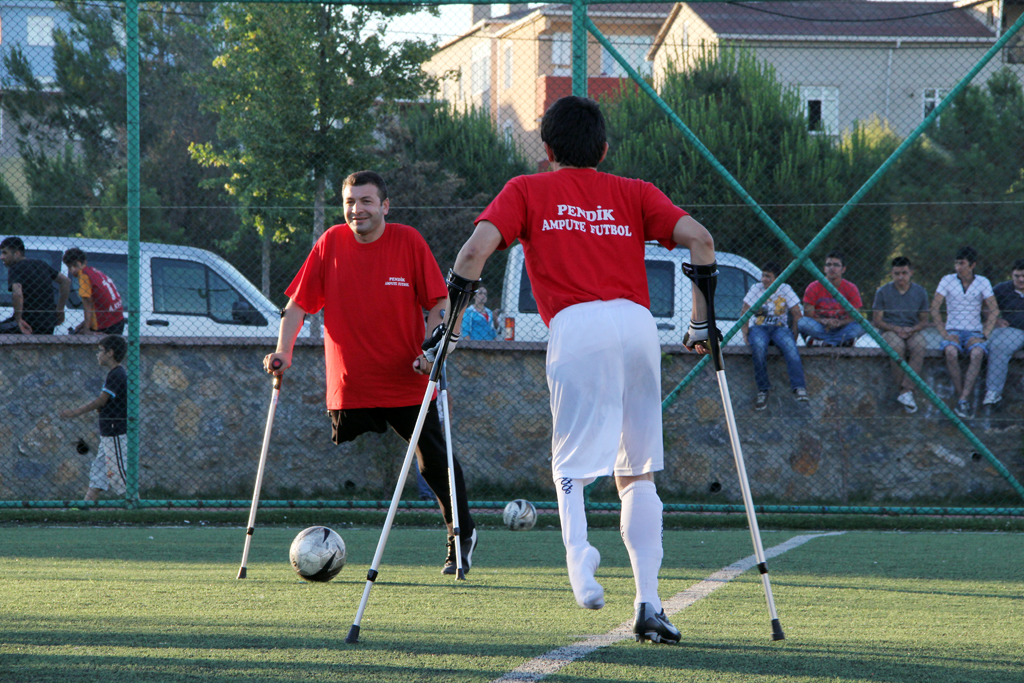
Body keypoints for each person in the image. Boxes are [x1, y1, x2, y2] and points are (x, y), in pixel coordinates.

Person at [447, 96, 717, 644]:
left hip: (577, 327)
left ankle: (579, 559)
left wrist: (449, 331)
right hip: (638, 325)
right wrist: (699, 324)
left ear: (546, 150)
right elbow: (701, 240)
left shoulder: (526, 189)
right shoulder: (634, 192)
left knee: (569, 461)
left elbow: (473, 255)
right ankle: (649, 602)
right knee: (636, 469)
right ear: (604, 149)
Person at [263, 170, 477, 575]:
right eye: (349, 202)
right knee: (340, 451)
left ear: (384, 206)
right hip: (352, 386)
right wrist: (282, 352)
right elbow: (296, 306)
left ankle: (460, 536)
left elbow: (439, 304)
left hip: (407, 379)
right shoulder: (330, 244)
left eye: (365, 201)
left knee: (434, 461)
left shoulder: (408, 241)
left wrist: (432, 350)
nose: (357, 209)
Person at [931, 246, 999, 418]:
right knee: (951, 352)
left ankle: (963, 399)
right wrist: (943, 333)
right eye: (956, 263)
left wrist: (985, 333)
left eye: (962, 263)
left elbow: (994, 310)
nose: (958, 267)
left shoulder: (983, 282)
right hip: (952, 329)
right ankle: (963, 398)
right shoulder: (947, 280)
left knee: (977, 353)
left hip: (974, 331)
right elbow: (934, 308)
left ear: (972, 265)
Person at [58, 335, 128, 501]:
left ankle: (138, 511)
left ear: (110, 353)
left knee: (121, 479)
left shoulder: (116, 374)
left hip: (115, 433)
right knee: (97, 476)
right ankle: (84, 510)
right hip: (108, 434)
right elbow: (110, 402)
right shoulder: (115, 373)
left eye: (100, 351)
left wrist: (74, 412)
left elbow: (101, 400)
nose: (98, 354)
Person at [740, 262, 807, 410]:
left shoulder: (785, 289)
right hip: (759, 327)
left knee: (790, 348)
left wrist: (794, 336)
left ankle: (799, 387)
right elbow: (745, 310)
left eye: (768, 277)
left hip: (779, 328)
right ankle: (763, 389)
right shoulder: (755, 289)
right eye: (763, 275)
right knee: (758, 346)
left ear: (777, 279)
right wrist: (745, 334)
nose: (764, 279)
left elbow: (797, 314)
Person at [871, 256, 931, 413]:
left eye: (904, 273)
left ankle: (906, 389)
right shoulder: (882, 291)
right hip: (889, 330)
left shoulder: (920, 292)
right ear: (892, 274)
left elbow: (924, 321)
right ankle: (905, 393)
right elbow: (877, 320)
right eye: (897, 273)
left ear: (911, 272)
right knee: (896, 347)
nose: (900, 277)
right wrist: (895, 329)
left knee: (920, 345)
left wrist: (912, 329)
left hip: (912, 329)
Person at [1, 236, 71, 335]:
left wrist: (18, 319)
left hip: (28, 322)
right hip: (48, 323)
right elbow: (66, 281)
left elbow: (17, 294)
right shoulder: (41, 264)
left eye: (5, 253)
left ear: (17, 253)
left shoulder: (15, 268)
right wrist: (60, 309)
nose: (1, 257)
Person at [796, 251, 865, 347]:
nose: (832, 268)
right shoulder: (813, 286)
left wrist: (840, 322)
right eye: (829, 265)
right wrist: (824, 321)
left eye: (836, 265)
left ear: (843, 269)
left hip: (842, 327)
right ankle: (840, 341)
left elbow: (855, 316)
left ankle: (825, 342)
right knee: (802, 322)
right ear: (824, 269)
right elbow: (808, 315)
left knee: (862, 325)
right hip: (820, 327)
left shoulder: (851, 288)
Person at [982, 258, 1024, 408]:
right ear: (1011, 275)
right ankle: (993, 393)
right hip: (1013, 330)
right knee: (998, 344)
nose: (1021, 279)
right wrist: (997, 320)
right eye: (1017, 276)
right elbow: (985, 306)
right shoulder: (1002, 289)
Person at [62, 247, 125, 335]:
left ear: (77, 264)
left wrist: (87, 330)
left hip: (106, 325)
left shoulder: (83, 276)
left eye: (69, 267)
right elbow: (99, 304)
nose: (69, 270)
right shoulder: (93, 271)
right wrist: (83, 324)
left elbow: (88, 305)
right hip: (118, 320)